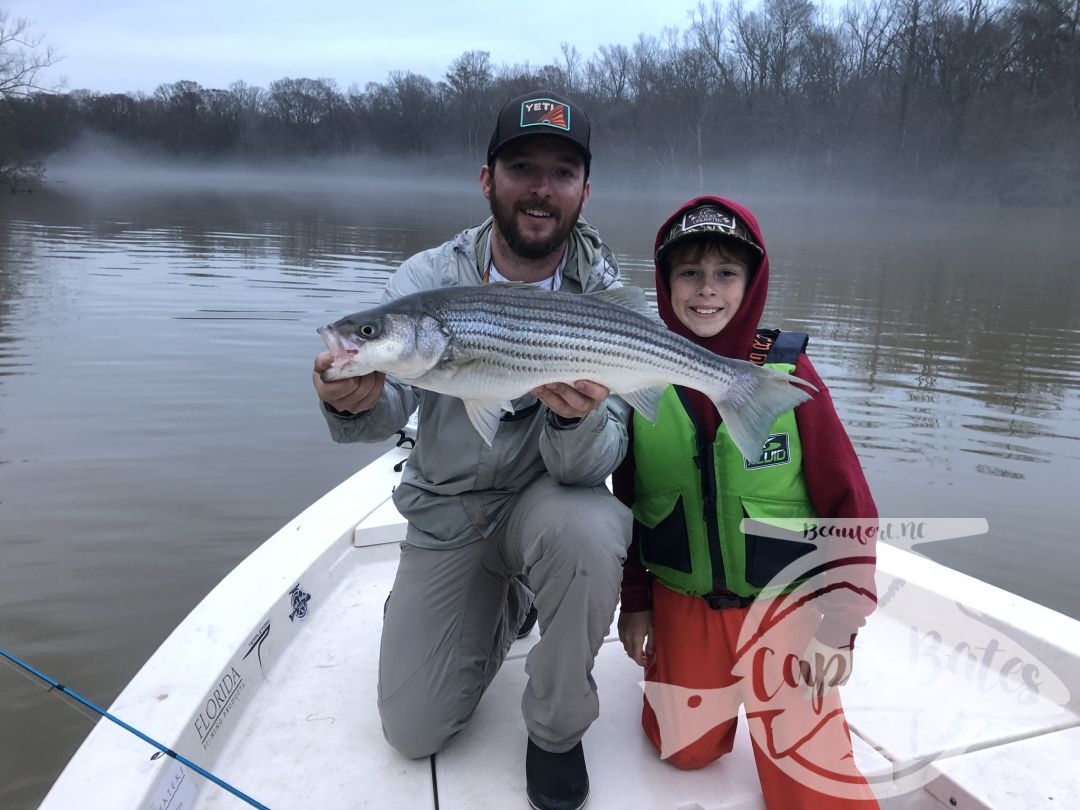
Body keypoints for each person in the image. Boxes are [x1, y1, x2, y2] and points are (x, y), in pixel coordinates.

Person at [312, 90, 631, 810]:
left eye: (562, 172)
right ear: (487, 179)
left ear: (584, 190)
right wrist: (349, 396)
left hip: (550, 509)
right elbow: (389, 402)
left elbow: (594, 466)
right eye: (521, 166)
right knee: (413, 730)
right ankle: (506, 603)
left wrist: (577, 422)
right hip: (450, 516)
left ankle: (554, 731)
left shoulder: (604, 295)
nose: (541, 189)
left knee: (588, 526)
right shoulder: (428, 281)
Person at [614, 197, 881, 807]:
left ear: (752, 281)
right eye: (689, 273)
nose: (707, 291)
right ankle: (686, 676)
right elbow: (626, 505)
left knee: (813, 795)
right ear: (665, 281)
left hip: (783, 609)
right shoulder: (637, 372)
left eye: (726, 274)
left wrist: (839, 627)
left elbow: (850, 504)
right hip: (682, 601)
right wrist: (636, 604)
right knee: (684, 752)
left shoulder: (788, 370)